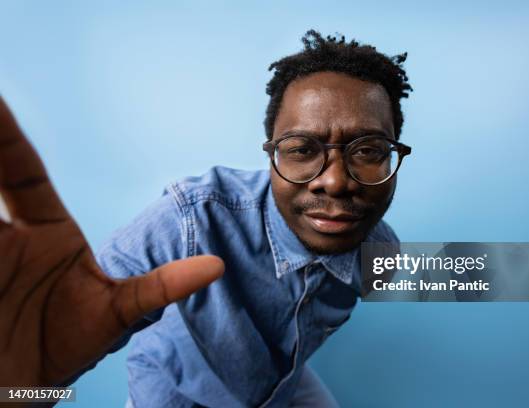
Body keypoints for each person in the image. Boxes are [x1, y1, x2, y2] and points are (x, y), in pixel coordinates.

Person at [0, 30, 412, 407]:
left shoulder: (381, 250)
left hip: (284, 386)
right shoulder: (188, 220)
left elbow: (457, 273)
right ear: (271, 156)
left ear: (394, 156)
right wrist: (22, 389)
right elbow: (70, 321)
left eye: (369, 150)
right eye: (302, 149)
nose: (336, 182)